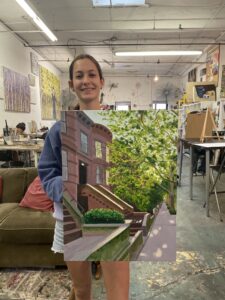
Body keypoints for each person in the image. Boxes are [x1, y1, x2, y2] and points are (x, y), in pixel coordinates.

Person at [38, 54, 129, 300]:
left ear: (101, 81)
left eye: (91, 75)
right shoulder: (59, 129)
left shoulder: (121, 126)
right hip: (70, 217)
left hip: (112, 216)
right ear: (71, 84)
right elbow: (47, 173)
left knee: (119, 294)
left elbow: (130, 169)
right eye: (79, 76)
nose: (85, 81)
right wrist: (69, 185)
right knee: (81, 290)